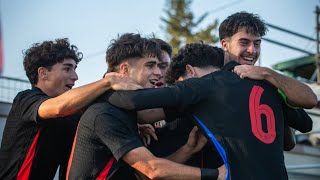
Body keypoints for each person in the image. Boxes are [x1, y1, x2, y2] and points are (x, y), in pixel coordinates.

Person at [107, 42, 312, 179]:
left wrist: (107, 83)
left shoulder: (200, 88)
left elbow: (133, 102)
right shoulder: (266, 85)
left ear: (190, 71)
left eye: (178, 84)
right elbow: (304, 125)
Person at [67, 33, 225, 180]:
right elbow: (152, 169)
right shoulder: (104, 114)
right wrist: (217, 174)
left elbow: (142, 176)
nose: (159, 72)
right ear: (125, 70)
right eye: (150, 66)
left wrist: (188, 149)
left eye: (158, 65)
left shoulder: (128, 113)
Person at [0, 38, 139, 180]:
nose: (75, 77)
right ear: (43, 73)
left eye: (74, 69)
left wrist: (130, 126)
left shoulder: (71, 116)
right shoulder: (25, 99)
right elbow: (58, 108)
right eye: (67, 68)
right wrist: (108, 82)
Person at [218, 11, 317, 150]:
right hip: (218, 169)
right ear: (225, 44)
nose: (252, 50)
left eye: (257, 44)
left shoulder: (267, 83)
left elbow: (303, 126)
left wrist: (266, 73)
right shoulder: (209, 80)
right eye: (244, 42)